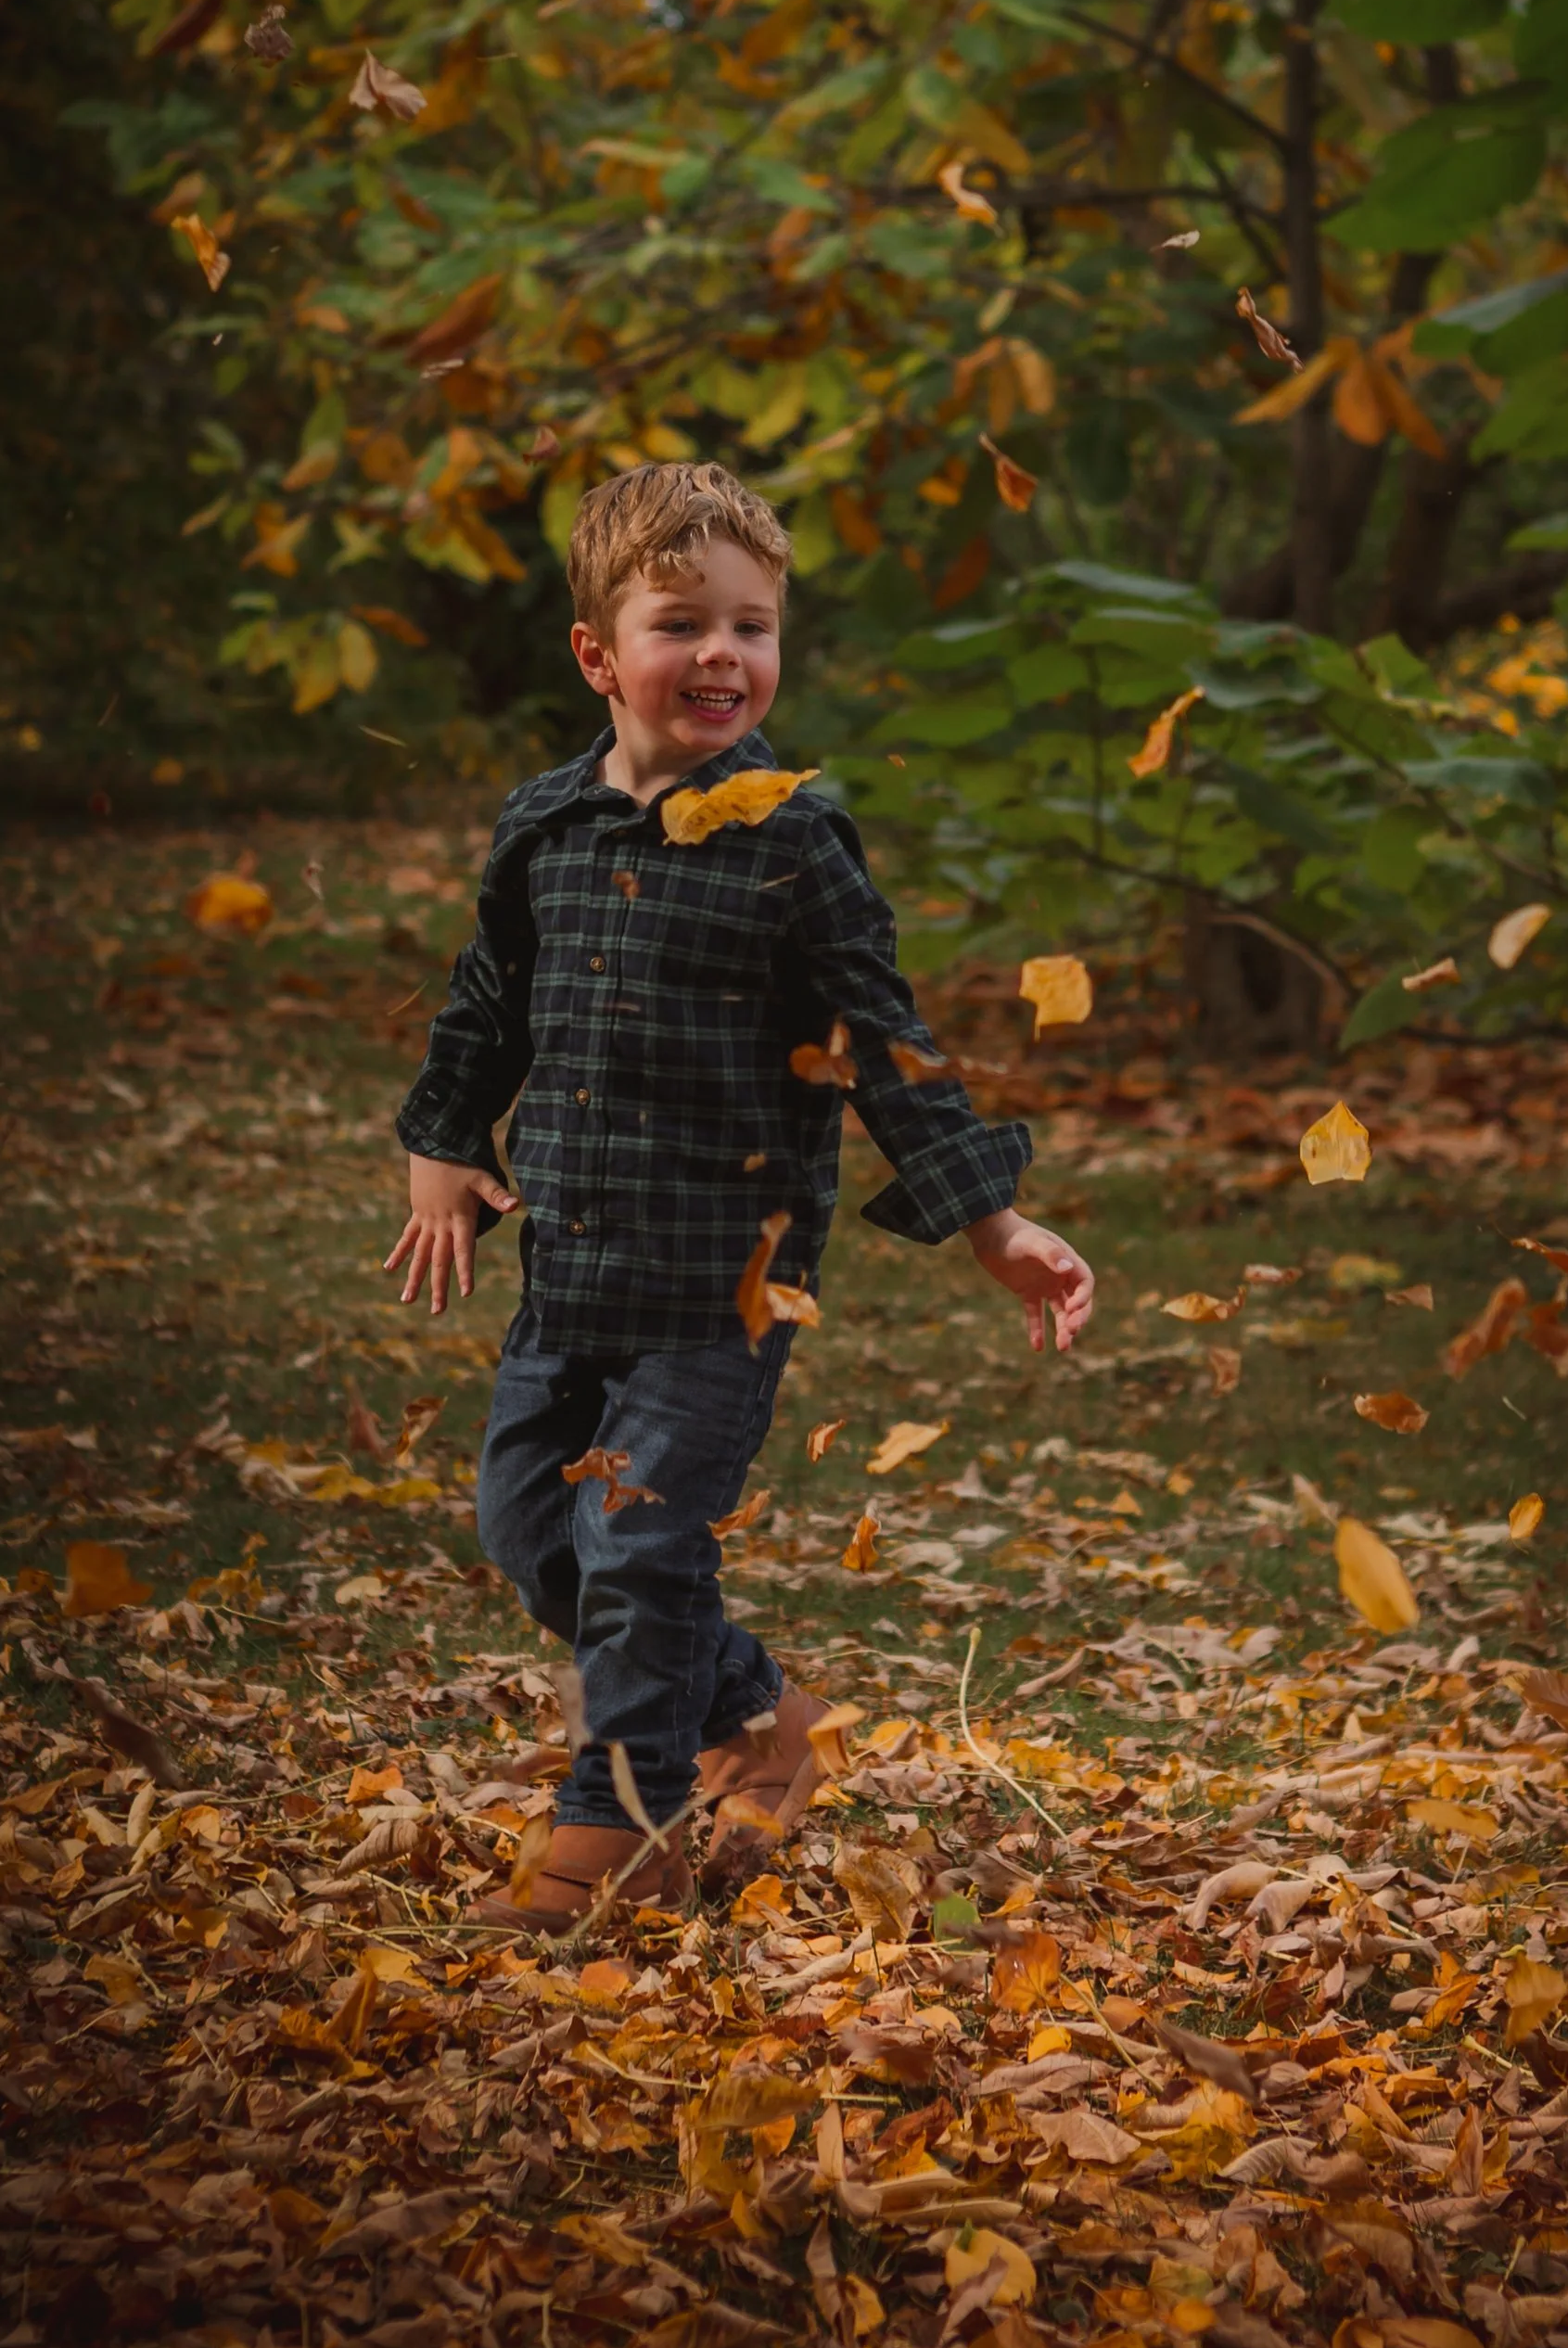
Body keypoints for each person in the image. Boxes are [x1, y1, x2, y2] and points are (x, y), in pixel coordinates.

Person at [386, 460, 1094, 1938]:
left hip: (726, 1281)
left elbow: (886, 1037)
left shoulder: (793, 837)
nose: (724, 654)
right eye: (683, 622)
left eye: (754, 626)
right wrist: (446, 1142)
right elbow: (487, 1005)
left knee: (640, 1544)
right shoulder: (544, 829)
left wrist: (989, 1213)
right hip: (570, 1264)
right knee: (533, 1532)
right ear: (599, 653)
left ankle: (620, 1825)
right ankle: (761, 1711)